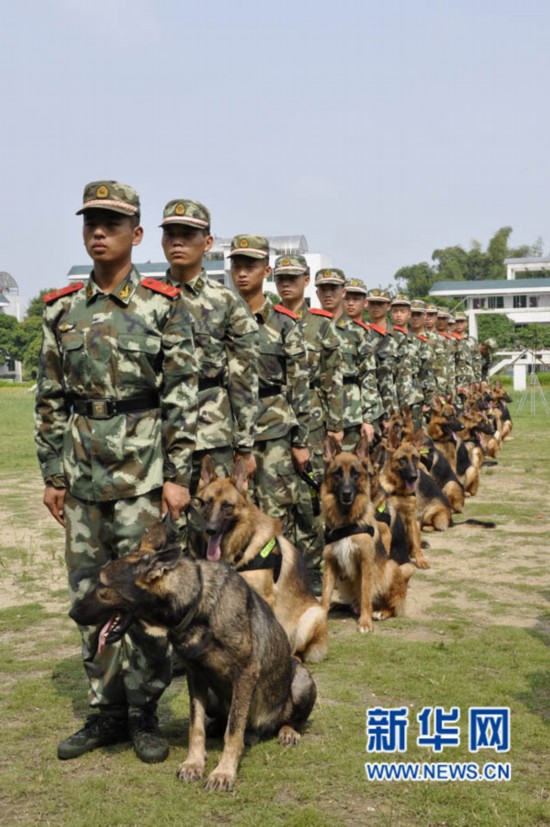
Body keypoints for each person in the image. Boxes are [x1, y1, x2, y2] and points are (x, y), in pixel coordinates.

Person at [35, 180, 198, 763]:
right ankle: (104, 712)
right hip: (82, 480)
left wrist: (178, 477)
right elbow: (51, 396)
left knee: (148, 600)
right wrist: (53, 474)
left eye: (110, 222)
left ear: (136, 234)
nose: (98, 231)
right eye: (90, 222)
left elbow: (182, 398)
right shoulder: (61, 310)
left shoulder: (162, 306)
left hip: (142, 480)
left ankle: (145, 712)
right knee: (91, 594)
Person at [160, 199, 259, 496]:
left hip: (212, 432)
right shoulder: (146, 300)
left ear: (207, 242)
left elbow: (244, 376)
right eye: (170, 233)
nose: (177, 241)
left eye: (188, 234)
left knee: (214, 526)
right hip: (158, 432)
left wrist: (245, 444)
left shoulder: (226, 301)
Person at [230, 235, 310, 538]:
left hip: (274, 432)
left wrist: (301, 441)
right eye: (237, 266)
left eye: (250, 266)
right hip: (232, 433)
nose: (241, 273)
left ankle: (281, 581)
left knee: (276, 514)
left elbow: (299, 387)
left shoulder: (284, 324)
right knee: (233, 517)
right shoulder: (222, 319)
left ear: (265, 271)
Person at [273, 253, 343, 583]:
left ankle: (313, 572)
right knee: (278, 500)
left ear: (305, 280)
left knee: (310, 500)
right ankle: (281, 570)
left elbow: (332, 377)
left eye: (293, 277)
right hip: (273, 419)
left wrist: (336, 425)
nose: (286, 283)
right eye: (281, 278)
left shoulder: (320, 323)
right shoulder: (266, 319)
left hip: (313, 422)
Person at [316, 270, 382, 450]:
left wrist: (368, 419)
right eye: (323, 289)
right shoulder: (308, 328)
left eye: (333, 289)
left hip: (350, 413)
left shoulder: (358, 332)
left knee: (352, 472)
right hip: (316, 412)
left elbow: (368, 375)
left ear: (342, 292)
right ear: (317, 293)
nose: (328, 294)